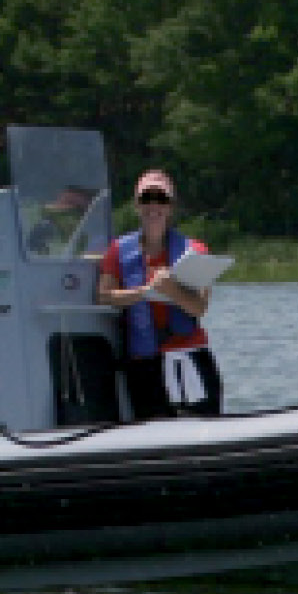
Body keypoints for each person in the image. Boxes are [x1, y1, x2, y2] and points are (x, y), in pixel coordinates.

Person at [96, 169, 222, 420]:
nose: (154, 206)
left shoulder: (195, 250)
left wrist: (171, 290)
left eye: (161, 199)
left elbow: (199, 308)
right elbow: (105, 296)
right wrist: (145, 291)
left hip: (189, 355)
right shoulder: (118, 251)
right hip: (144, 363)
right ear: (137, 205)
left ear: (171, 207)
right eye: (147, 199)